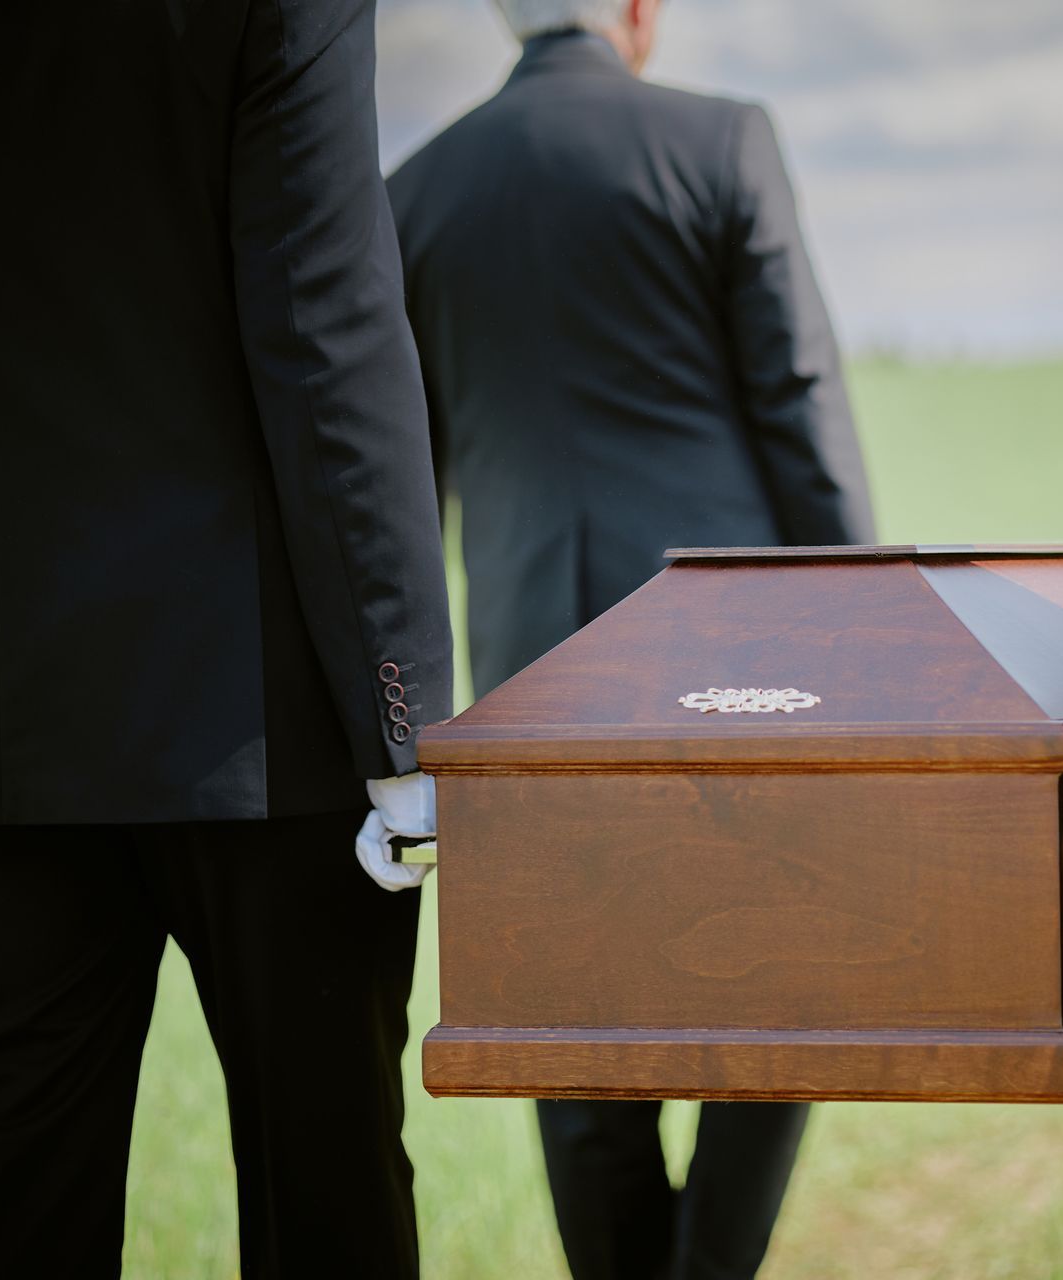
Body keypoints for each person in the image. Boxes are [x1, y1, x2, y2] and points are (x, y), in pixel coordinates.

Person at [0, 2, 450, 1275]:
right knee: (329, 1203)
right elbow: (325, 324)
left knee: (11, 1222)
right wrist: (405, 724)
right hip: (267, 717)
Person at [389, 1, 873, 1275]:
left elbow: (402, 485)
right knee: (780, 992)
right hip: (740, 666)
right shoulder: (720, 143)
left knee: (574, 1019)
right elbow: (801, 406)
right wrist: (865, 640)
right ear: (640, 12)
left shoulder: (415, 191)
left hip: (529, 671)